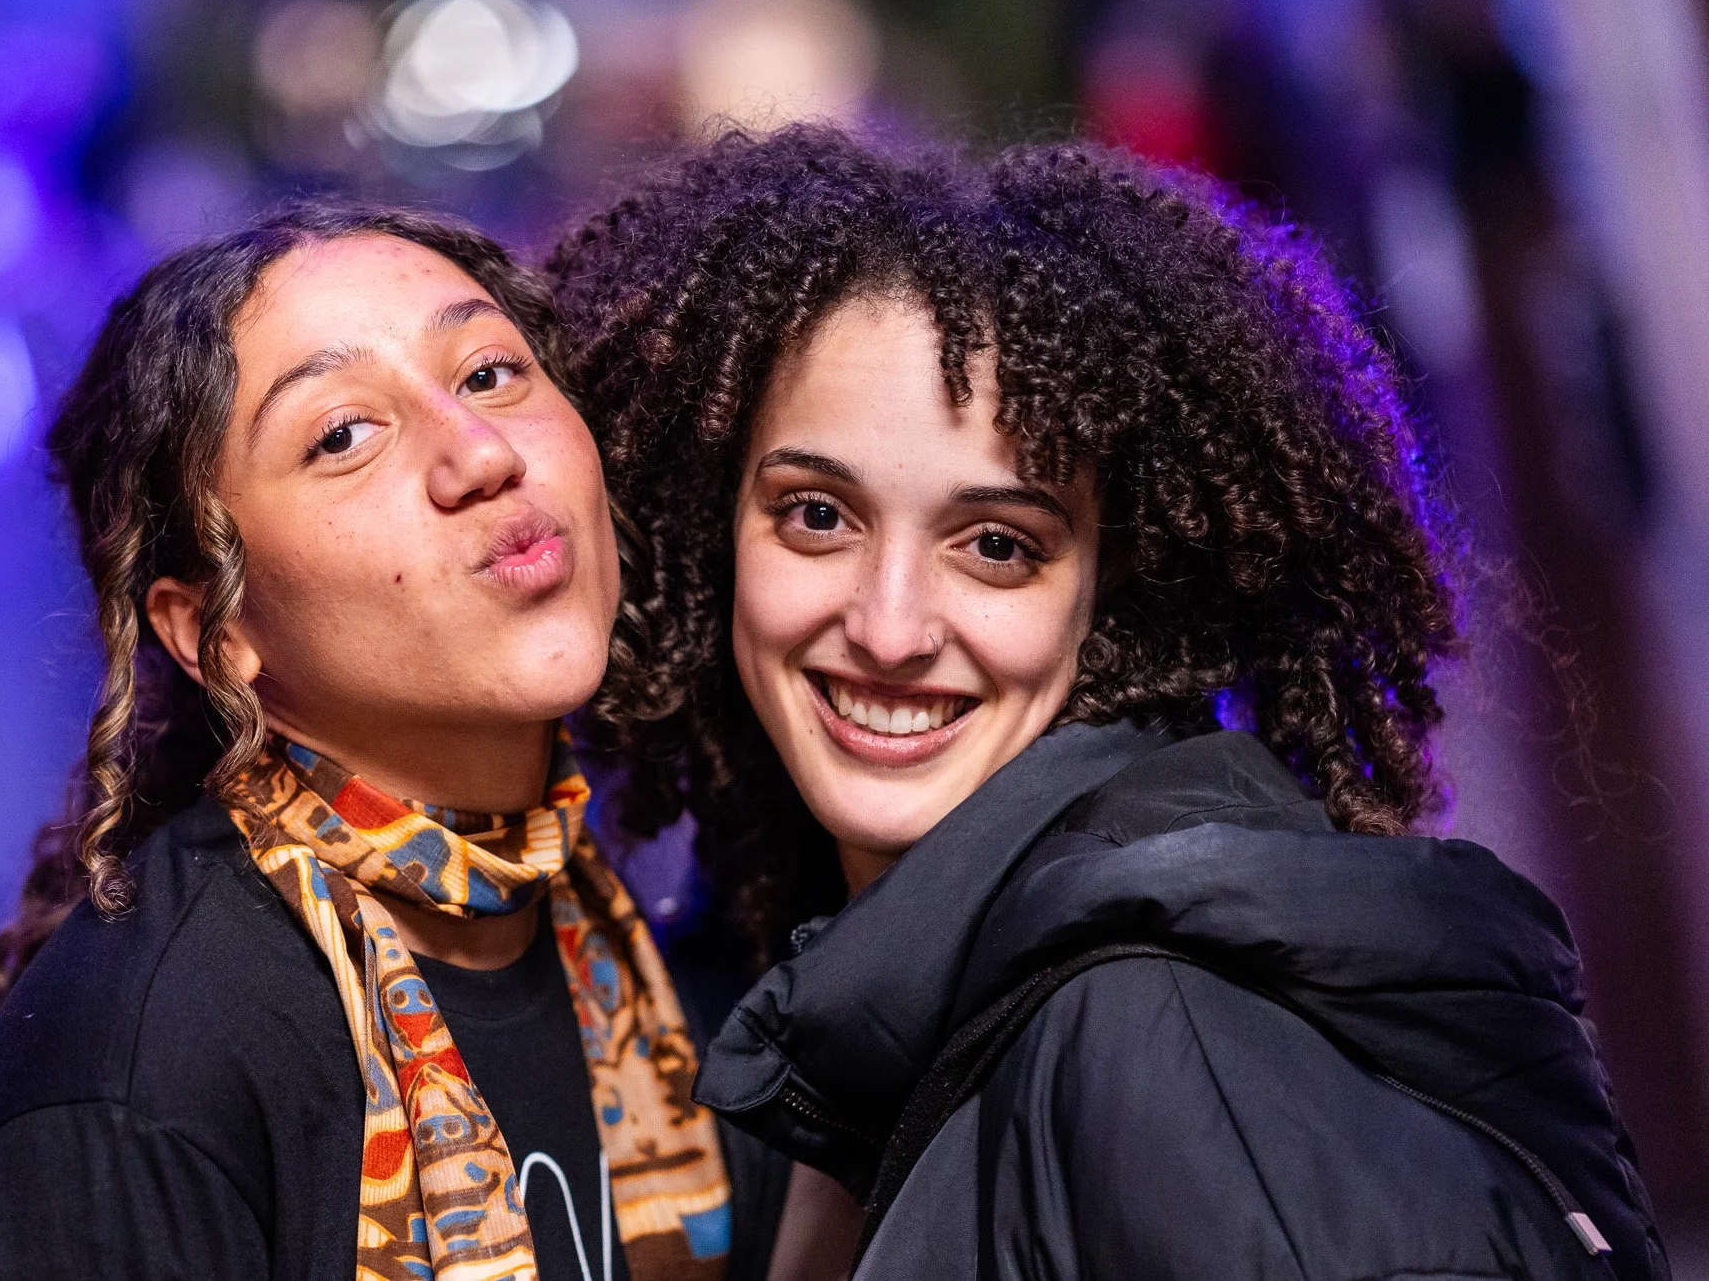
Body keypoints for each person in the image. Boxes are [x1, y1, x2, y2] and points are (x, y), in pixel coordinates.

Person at [548, 126, 1667, 1281]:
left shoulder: (1161, 1041)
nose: (887, 627)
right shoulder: (873, 990)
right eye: (816, 515)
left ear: (1117, 590)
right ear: (708, 527)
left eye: (994, 545)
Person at [0, 200, 736, 1281]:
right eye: (342, 435)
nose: (478, 452)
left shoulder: (645, 966)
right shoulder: (132, 1097)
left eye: (489, 374)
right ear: (213, 635)